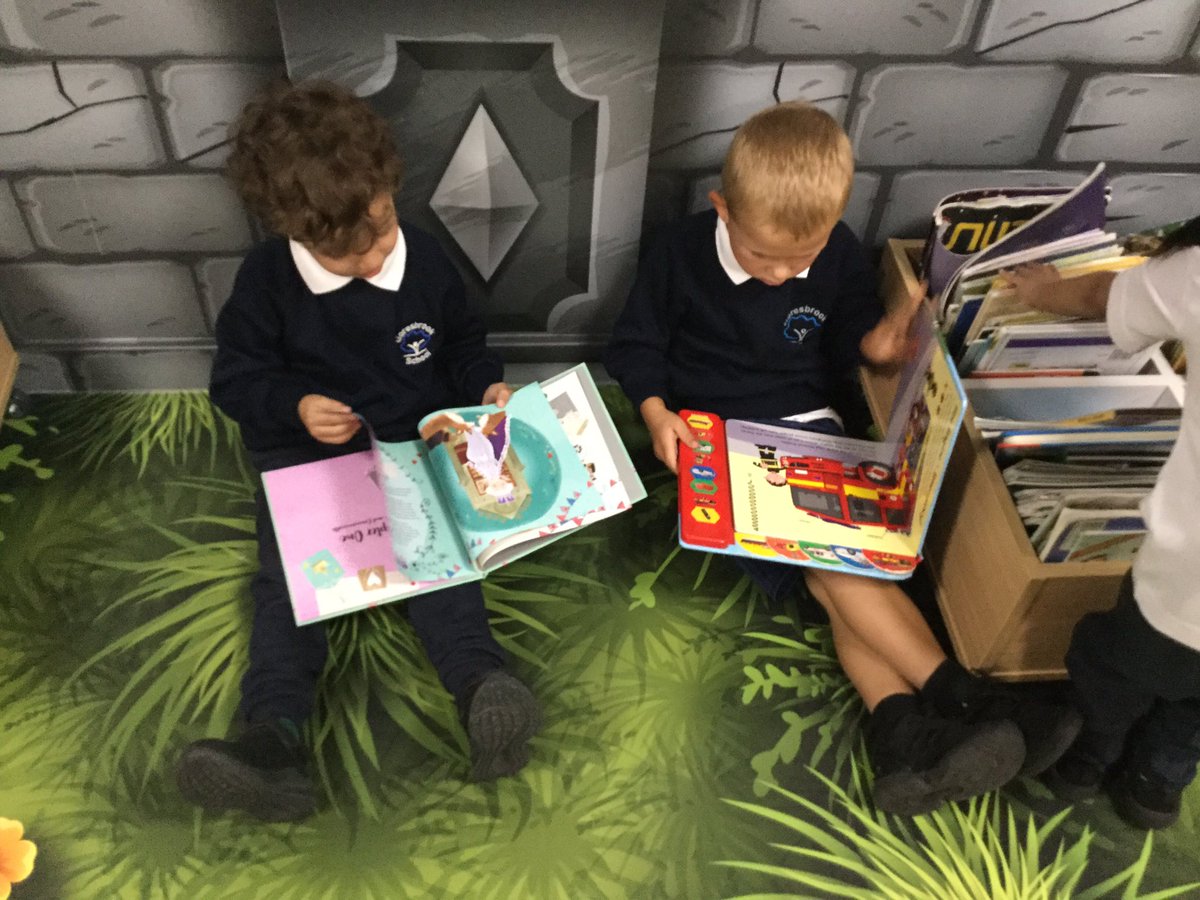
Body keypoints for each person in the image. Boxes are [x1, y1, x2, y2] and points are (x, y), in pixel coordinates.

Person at [605, 101, 1079, 816]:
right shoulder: (679, 252)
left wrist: (879, 344)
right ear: (721, 208)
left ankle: (901, 732)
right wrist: (654, 412)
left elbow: (851, 328)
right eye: (766, 256)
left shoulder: (831, 253)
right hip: (722, 445)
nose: (784, 274)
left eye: (806, 255)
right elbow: (635, 346)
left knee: (836, 575)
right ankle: (966, 697)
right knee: (832, 567)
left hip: (812, 434)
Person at [174, 79, 541, 823]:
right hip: (305, 467)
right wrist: (296, 407)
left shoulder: (425, 262)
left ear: (388, 187)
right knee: (285, 593)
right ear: (293, 232)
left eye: (380, 230)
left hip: (412, 452)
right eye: (347, 257)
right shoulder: (267, 284)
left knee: (440, 565)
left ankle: (483, 688)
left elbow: (466, 345)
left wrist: (488, 390)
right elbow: (235, 381)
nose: (375, 259)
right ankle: (271, 740)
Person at [1006, 216, 1200, 829]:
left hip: (1182, 586)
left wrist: (1042, 291)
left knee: (1111, 663)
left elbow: (1100, 296)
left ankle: (1085, 761)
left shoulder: (1194, 273)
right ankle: (1158, 783)